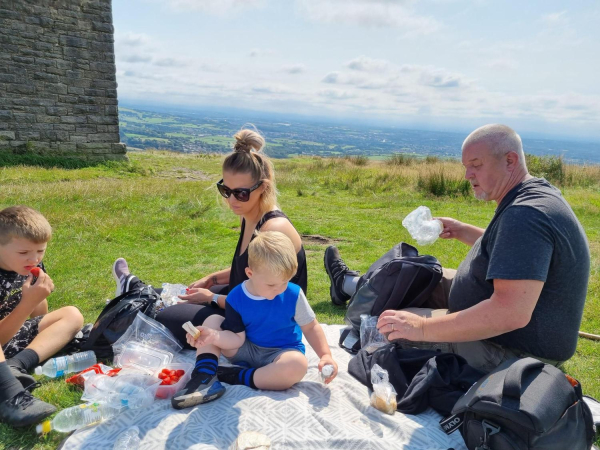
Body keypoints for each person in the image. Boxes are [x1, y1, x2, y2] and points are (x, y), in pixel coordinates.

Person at [325, 124, 590, 373]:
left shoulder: (526, 214)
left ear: (510, 160)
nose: (467, 175)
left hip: (516, 350)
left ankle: (351, 288)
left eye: (476, 165)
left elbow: (510, 313)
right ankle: (350, 284)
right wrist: (463, 230)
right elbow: (517, 252)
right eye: (466, 167)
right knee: (413, 275)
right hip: (499, 319)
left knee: (384, 328)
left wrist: (423, 328)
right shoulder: (533, 194)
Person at [111, 128, 308, 348]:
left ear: (262, 188)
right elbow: (252, 271)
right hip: (248, 296)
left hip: (263, 325)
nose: (232, 200)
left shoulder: (272, 228)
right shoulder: (250, 213)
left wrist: (212, 298)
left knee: (167, 314)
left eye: (241, 193)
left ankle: (132, 298)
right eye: (226, 190)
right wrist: (213, 279)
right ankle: (133, 288)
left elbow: (267, 298)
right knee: (176, 295)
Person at [171, 231, 337, 410]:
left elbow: (311, 327)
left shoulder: (294, 294)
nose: (280, 290)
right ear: (250, 273)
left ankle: (239, 376)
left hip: (280, 353)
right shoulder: (236, 297)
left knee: (297, 365)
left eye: (285, 282)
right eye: (272, 285)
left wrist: (325, 355)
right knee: (212, 322)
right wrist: (213, 337)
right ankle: (204, 375)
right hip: (244, 347)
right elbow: (236, 339)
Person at [0, 206, 84, 427]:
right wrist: (27, 302)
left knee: (72, 314)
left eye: (40, 251)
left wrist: (37, 299)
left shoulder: (30, 265)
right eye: (24, 253)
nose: (34, 259)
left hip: (10, 336)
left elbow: (38, 315)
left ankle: (14, 366)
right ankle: (12, 399)